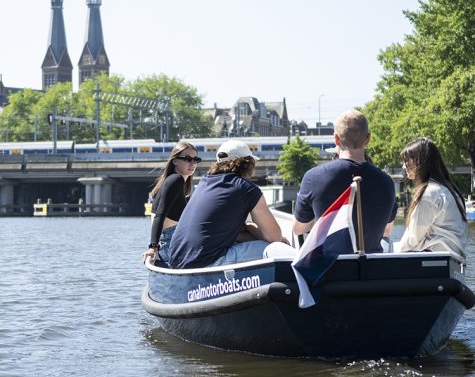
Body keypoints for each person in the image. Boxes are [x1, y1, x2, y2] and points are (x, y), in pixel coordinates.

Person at [292, 109, 397, 253]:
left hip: (329, 270)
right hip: (371, 268)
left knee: (273, 249)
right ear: (368, 139)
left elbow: (298, 228)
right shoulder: (387, 182)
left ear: (336, 139)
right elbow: (387, 231)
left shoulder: (313, 177)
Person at [168, 139, 284, 269]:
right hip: (206, 263)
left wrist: (245, 229)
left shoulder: (204, 183)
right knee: (277, 248)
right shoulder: (246, 188)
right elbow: (275, 237)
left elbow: (232, 235)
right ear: (247, 164)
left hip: (177, 264)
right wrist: (250, 226)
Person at [396, 137, 467, 260]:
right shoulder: (450, 190)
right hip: (454, 263)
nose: (403, 166)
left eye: (407, 160)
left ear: (420, 162)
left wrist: (392, 257)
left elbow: (412, 239)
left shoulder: (429, 193)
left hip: (435, 262)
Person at [141, 141, 201, 263]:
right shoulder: (175, 180)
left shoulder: (176, 182)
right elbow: (160, 215)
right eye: (188, 159)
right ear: (175, 161)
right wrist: (153, 247)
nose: (193, 163)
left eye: (196, 159)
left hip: (172, 241)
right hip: (170, 244)